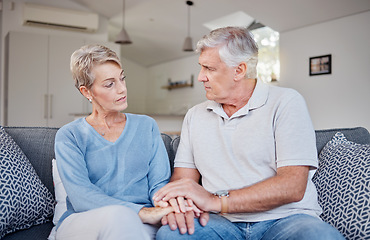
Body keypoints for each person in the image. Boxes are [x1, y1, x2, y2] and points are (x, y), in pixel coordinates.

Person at [153, 27, 345, 239]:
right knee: (171, 235)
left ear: (239, 70)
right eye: (201, 67)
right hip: (218, 222)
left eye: (209, 68)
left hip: (286, 219)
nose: (201, 77)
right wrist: (181, 204)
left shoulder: (286, 102)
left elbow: (293, 185)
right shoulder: (195, 115)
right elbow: (183, 179)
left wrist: (217, 200)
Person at [54, 44, 175, 240]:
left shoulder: (146, 126)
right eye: (110, 84)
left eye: (122, 78)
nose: (122, 89)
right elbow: (81, 196)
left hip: (139, 222)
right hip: (83, 222)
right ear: (87, 92)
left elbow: (159, 184)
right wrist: (141, 212)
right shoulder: (70, 135)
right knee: (120, 216)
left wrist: (166, 206)